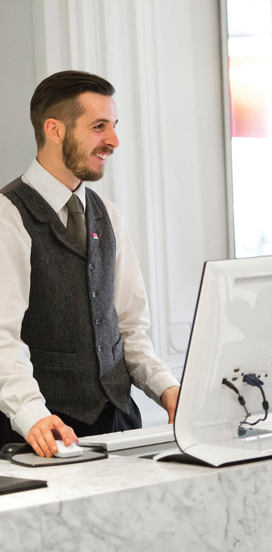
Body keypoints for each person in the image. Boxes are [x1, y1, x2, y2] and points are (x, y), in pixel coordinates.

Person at [0, 70, 180, 458]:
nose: (113, 141)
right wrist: (32, 415)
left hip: (118, 426)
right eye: (99, 126)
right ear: (55, 130)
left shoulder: (109, 215)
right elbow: (2, 338)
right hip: (40, 435)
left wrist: (167, 388)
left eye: (114, 126)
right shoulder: (7, 216)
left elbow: (129, 329)